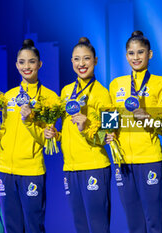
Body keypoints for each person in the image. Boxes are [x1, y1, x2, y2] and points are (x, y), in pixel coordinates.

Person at [0, 39, 58, 233]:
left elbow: (45, 140)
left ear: (40, 64)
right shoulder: (8, 97)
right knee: (12, 227)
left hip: (31, 170)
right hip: (5, 169)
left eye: (31, 62)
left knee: (34, 226)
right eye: (22, 62)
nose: (26, 66)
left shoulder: (49, 98)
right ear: (16, 65)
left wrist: (29, 120)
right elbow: (3, 135)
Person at [44, 37, 112, 233]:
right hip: (70, 168)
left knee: (98, 227)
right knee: (80, 226)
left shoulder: (103, 93)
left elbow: (110, 135)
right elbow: (67, 131)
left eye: (86, 59)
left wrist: (87, 126)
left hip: (95, 167)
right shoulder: (66, 92)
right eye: (76, 59)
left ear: (95, 61)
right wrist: (55, 134)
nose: (81, 64)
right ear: (71, 62)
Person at [107, 30, 162, 233]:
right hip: (123, 160)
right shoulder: (116, 84)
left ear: (150, 54)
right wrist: (107, 134)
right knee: (133, 221)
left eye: (140, 52)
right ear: (126, 56)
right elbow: (110, 120)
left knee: (154, 219)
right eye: (131, 53)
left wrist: (150, 119)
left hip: (149, 157)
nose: (136, 57)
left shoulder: (160, 83)